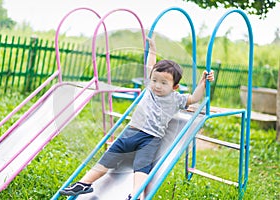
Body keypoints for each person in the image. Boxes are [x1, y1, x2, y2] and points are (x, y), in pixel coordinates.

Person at [59, 36, 214, 200]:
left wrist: (203, 82)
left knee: (142, 167)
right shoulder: (149, 89)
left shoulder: (176, 98)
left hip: (150, 139)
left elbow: (195, 98)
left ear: (174, 87)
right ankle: (84, 184)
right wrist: (152, 50)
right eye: (154, 80)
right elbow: (150, 66)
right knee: (108, 158)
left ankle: (136, 195)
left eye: (163, 83)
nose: (157, 85)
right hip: (129, 133)